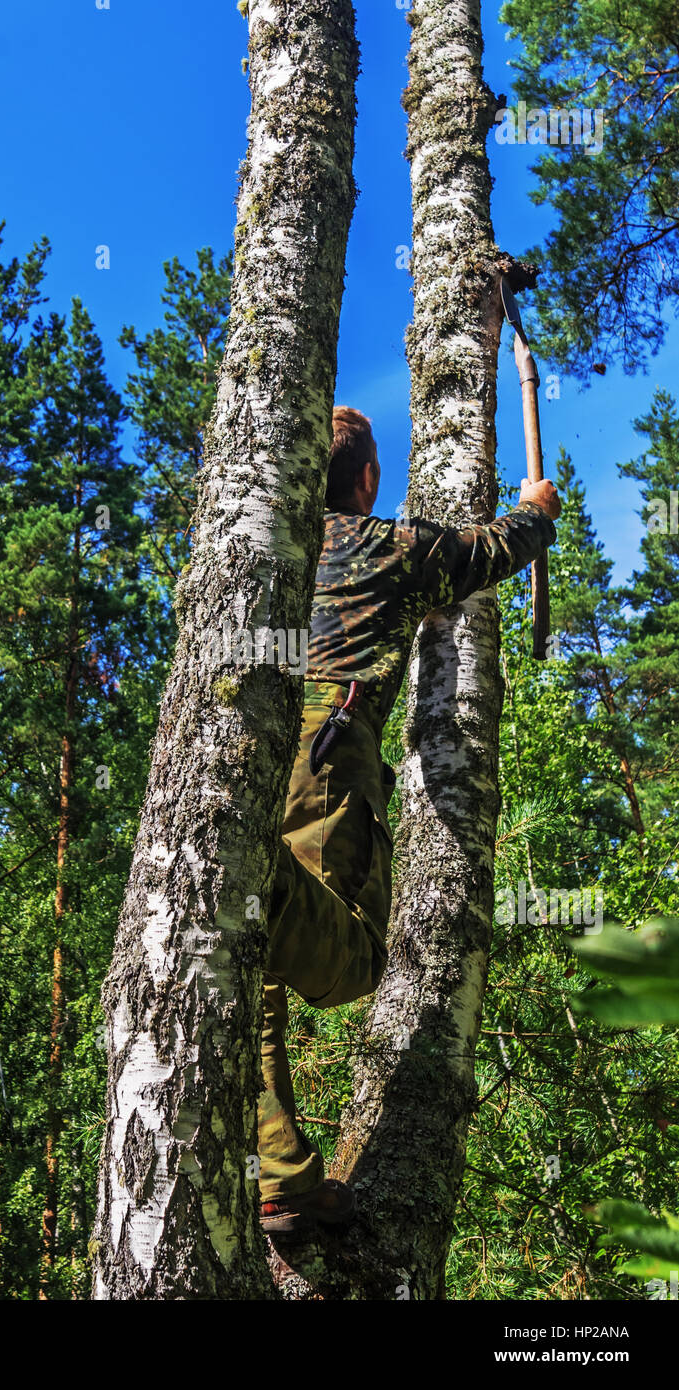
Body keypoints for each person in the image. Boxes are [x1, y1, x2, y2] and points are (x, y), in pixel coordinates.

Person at [259, 405, 561, 1234]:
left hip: (240, 739)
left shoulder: (256, 553)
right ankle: (241, 873)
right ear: (364, 480)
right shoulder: (383, 545)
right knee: (354, 960)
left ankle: (279, 1175)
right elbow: (484, 552)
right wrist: (536, 506)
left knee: (254, 976)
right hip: (324, 751)